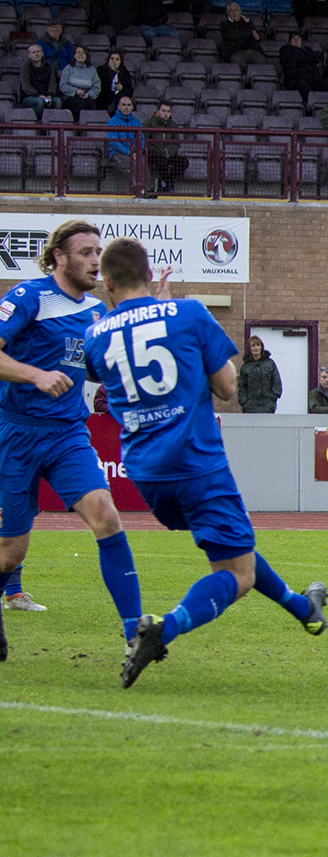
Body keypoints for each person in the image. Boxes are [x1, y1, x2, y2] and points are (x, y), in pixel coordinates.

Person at [82, 239, 328, 686]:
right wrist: (169, 317)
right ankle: (162, 628)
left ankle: (303, 608)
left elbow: (112, 363)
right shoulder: (189, 313)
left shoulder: (95, 334)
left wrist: (148, 314)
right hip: (197, 461)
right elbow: (228, 388)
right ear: (149, 271)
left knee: (234, 547)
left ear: (109, 281)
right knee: (236, 574)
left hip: (146, 474)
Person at [0, 221, 153, 658]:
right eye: (84, 252)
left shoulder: (94, 314)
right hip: (15, 433)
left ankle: (134, 633)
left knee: (106, 515)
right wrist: (35, 374)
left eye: (97, 252)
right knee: (9, 553)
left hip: (68, 434)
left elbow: (102, 366)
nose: (93, 260)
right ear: (59, 258)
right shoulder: (29, 297)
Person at [235, 335, 283, 414]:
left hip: (267, 405)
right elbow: (242, 386)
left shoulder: (270, 363)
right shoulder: (245, 367)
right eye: (253, 346)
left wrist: (272, 398)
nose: (256, 348)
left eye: (258, 345)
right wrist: (244, 402)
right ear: (249, 348)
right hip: (250, 407)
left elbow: (276, 381)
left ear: (261, 347)